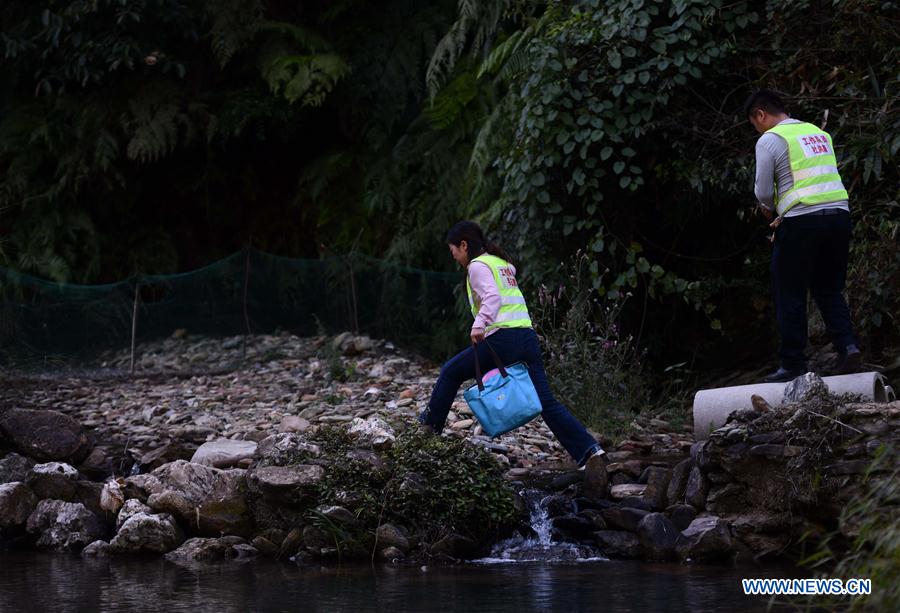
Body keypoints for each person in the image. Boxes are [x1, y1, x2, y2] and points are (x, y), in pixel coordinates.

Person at [418, 220, 607, 468]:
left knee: (450, 372)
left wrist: (478, 325)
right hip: (526, 337)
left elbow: (492, 297)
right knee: (545, 402)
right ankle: (590, 452)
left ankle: (427, 432)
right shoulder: (501, 264)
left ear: (464, 245)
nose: (454, 257)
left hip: (503, 339)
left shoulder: (477, 265)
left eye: (453, 250)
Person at [743, 89, 861, 383]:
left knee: (790, 290)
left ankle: (792, 364)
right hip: (839, 216)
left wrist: (767, 210)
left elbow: (763, 192)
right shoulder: (818, 133)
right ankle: (848, 347)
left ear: (761, 114)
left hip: (800, 221)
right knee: (829, 287)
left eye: (754, 123)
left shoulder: (769, 139)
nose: (756, 129)